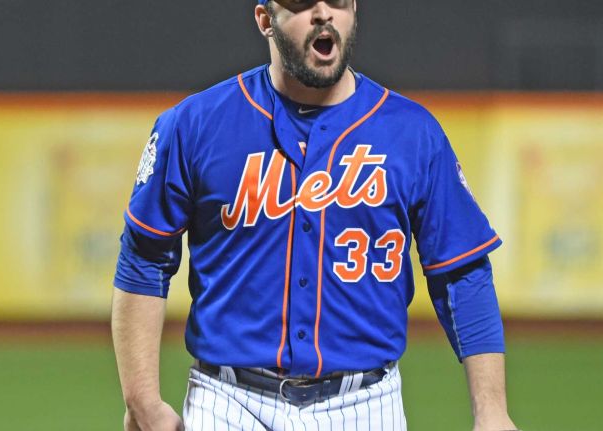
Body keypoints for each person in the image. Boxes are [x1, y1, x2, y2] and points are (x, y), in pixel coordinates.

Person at [111, 1, 519, 430]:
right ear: (265, 20)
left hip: (366, 405)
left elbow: (462, 273)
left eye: (338, 2)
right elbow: (145, 257)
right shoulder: (195, 124)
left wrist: (492, 411)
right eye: (303, 3)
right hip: (229, 401)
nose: (324, 13)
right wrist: (141, 399)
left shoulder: (412, 133)